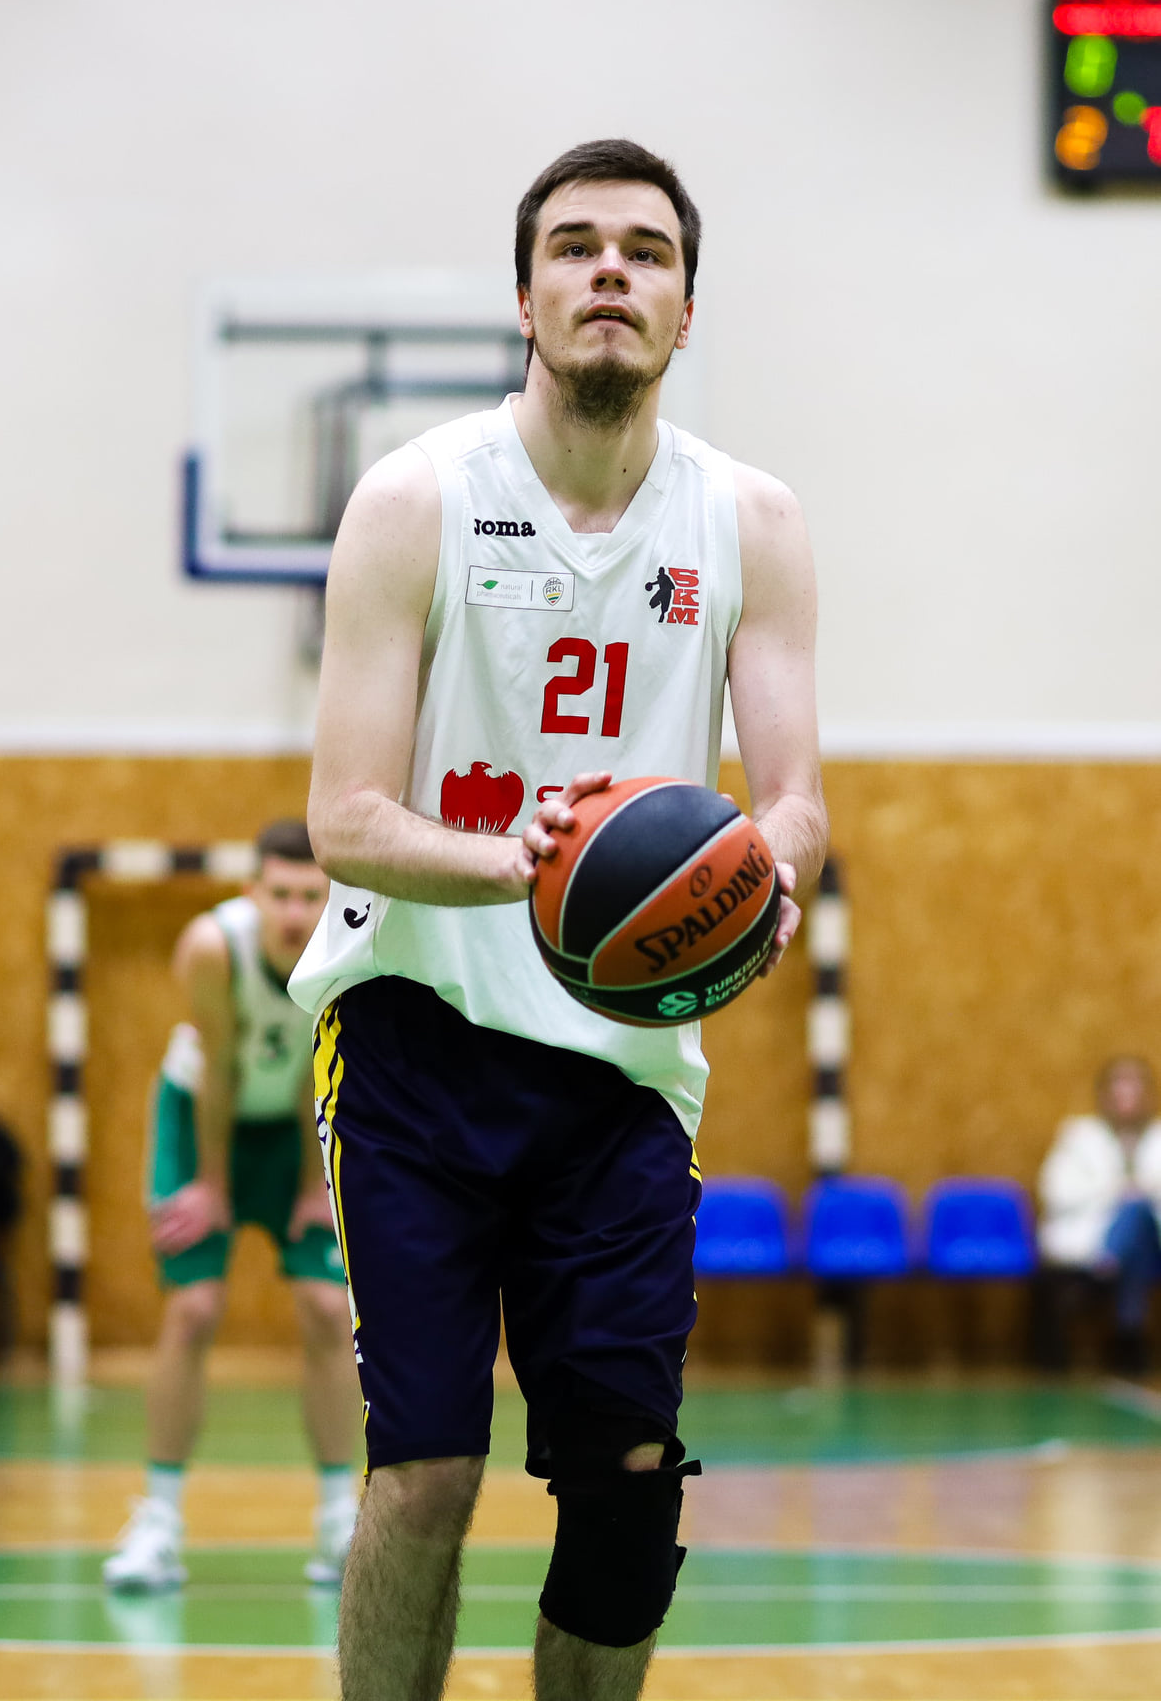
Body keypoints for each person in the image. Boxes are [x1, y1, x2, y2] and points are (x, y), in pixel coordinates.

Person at [289, 139, 828, 1701]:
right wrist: (516, 863)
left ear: (682, 309)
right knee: (426, 1473)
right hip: (415, 1037)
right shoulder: (416, 501)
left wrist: (762, 875)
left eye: (644, 253)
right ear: (522, 301)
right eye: (575, 247)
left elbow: (793, 800)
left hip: (621, 1070)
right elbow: (344, 817)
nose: (610, 272)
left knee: (627, 1483)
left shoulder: (750, 520)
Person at [103, 819, 359, 1592]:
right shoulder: (212, 948)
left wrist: (315, 1186)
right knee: (194, 1310)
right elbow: (219, 1069)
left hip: (293, 1129)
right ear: (253, 893)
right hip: (201, 1120)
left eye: (310, 896)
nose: (294, 912)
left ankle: (340, 1524)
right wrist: (212, 1185)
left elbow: (321, 1068)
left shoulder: (344, 948)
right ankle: (158, 1524)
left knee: (327, 1307)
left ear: (328, 897)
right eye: (280, 895)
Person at [1036, 1055, 1161, 1375]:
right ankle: (1129, 1337)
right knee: (1133, 1227)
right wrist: (1116, 1190)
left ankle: (1105, 1269)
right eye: (1119, 1086)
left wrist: (1144, 1192)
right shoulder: (1078, 1138)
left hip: (1154, 1239)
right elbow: (1056, 1191)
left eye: (1135, 1086)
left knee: (1139, 1215)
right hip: (1095, 1232)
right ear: (1104, 1094)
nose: (1127, 1095)